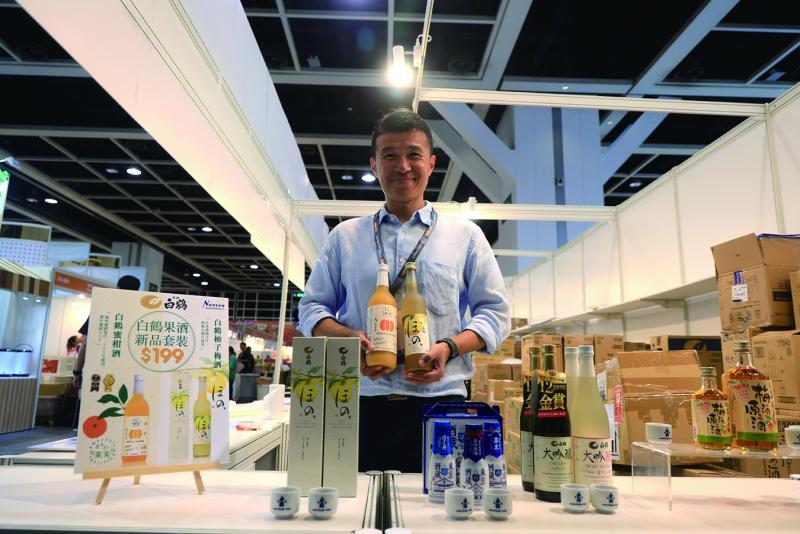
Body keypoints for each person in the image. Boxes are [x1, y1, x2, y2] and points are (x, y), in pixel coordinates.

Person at [299, 108, 510, 472]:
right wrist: (348, 338)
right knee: (354, 504)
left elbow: (495, 313)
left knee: (442, 504)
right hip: (359, 403)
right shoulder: (345, 238)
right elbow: (311, 309)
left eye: (413, 154)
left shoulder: (465, 237)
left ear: (431, 163)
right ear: (374, 164)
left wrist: (449, 347)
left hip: (441, 404)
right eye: (390, 156)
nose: (403, 166)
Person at [71, 275, 142, 390]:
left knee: (95, 398)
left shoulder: (101, 309)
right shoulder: (139, 314)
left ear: (117, 288)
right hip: (127, 374)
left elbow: (85, 344)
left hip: (97, 372)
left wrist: (77, 373)